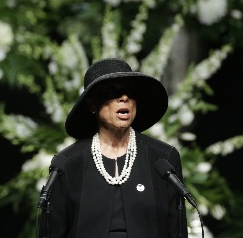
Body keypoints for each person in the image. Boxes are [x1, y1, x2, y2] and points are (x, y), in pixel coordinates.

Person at [38, 58, 188, 238]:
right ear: (92, 104)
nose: (124, 98)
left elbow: (176, 231)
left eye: (130, 92)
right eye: (112, 91)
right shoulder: (68, 163)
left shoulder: (162, 158)